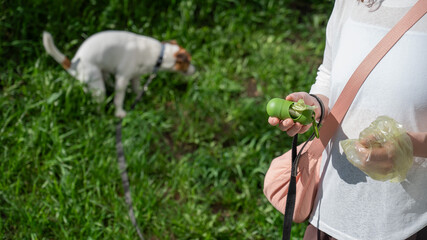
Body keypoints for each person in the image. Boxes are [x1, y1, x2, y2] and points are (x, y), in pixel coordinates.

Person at [264, 0, 427, 239]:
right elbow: (330, 75)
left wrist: (409, 146)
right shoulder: (351, 2)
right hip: (330, 218)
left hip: (410, 223)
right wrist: (316, 104)